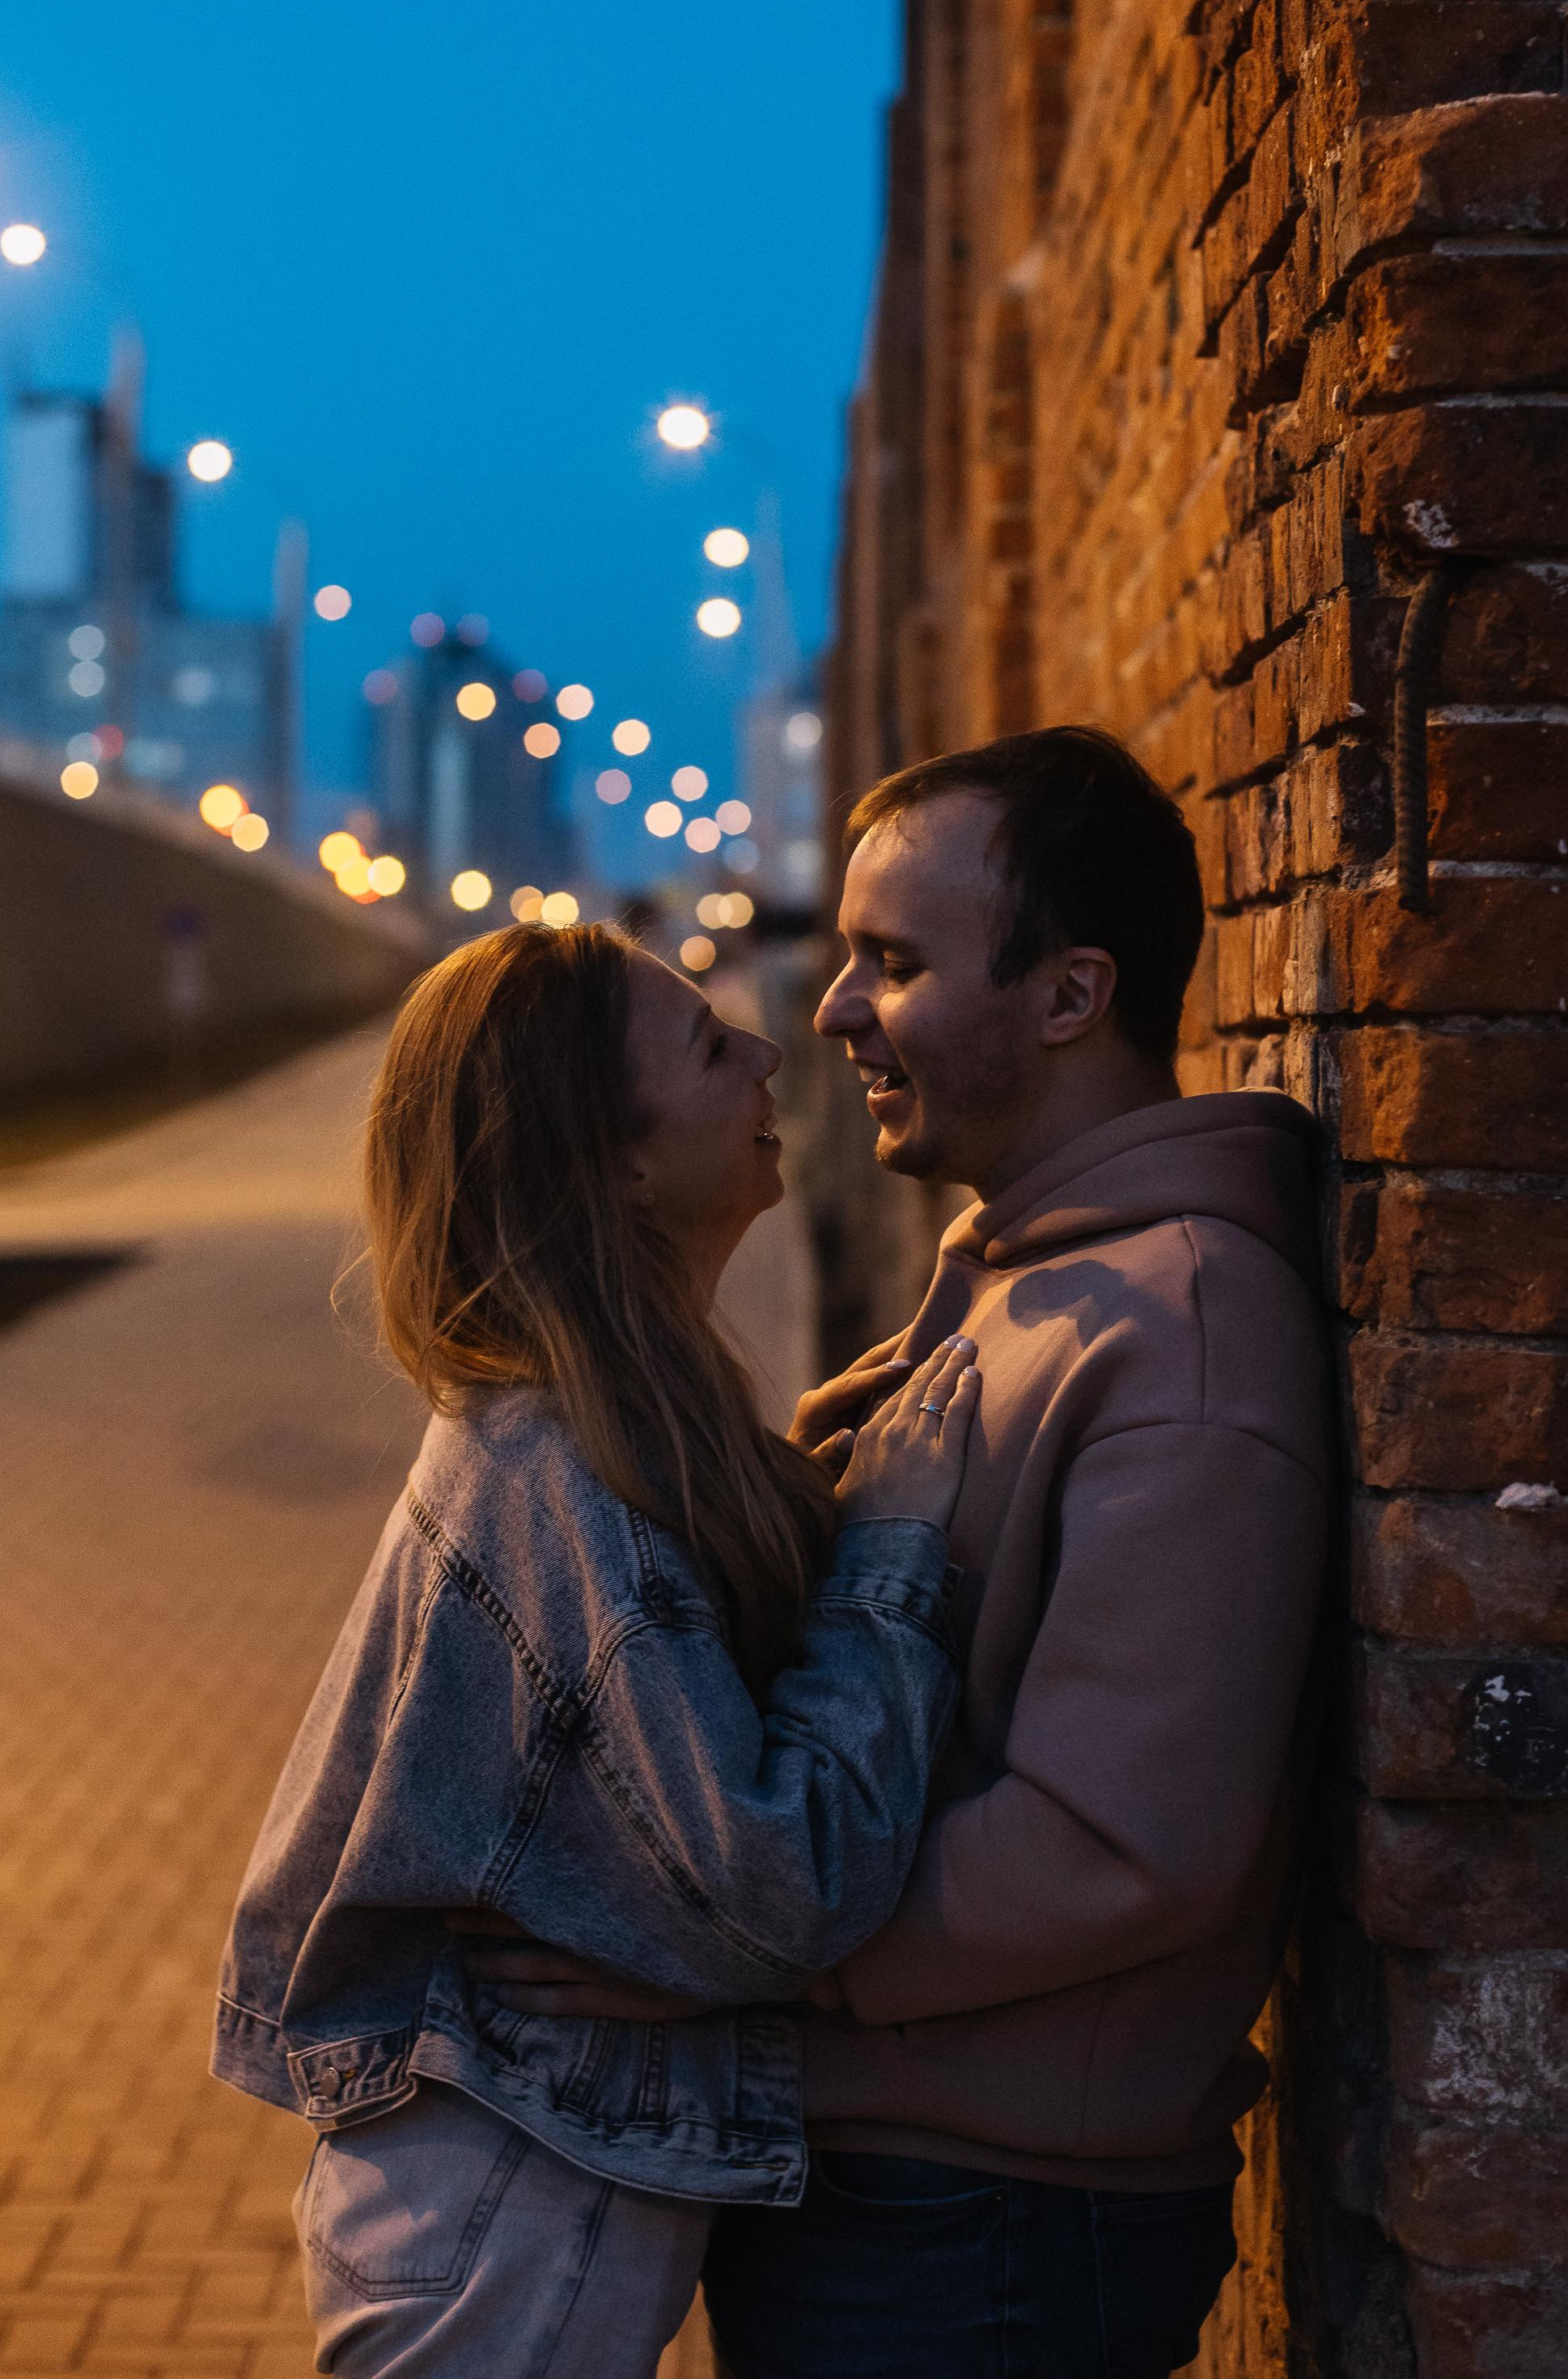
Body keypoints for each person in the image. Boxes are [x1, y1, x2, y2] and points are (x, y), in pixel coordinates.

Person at [467, 726, 1333, 2379]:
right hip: (908, 2177)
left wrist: (731, 1950)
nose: (833, 1009)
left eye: (894, 961)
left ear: (1069, 995)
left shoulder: (1184, 1341)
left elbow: (1122, 1843)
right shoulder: (1025, 1281)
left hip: (993, 2215)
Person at [209, 918, 983, 2379]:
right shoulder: (556, 1477)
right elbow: (780, 1887)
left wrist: (823, 1477)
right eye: (706, 1043)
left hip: (504, 2186)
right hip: (489, 2215)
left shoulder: (626, 1429)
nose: (771, 1046)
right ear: (609, 1161)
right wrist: (893, 1549)